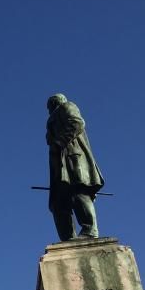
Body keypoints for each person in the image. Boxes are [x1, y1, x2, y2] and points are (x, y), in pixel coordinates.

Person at [46, 93, 105, 241]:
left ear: (54, 103)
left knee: (78, 191)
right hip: (59, 166)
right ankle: (67, 238)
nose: (49, 110)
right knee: (58, 203)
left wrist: (60, 142)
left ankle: (90, 231)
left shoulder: (67, 107)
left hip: (73, 158)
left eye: (49, 106)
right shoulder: (52, 120)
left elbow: (77, 123)